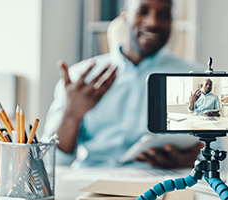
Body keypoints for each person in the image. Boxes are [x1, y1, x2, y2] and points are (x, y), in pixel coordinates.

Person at [42, 0, 205, 168]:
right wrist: (71, 115)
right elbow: (52, 162)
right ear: (125, 15)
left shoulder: (195, 78)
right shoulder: (81, 77)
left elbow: (217, 158)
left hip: (162, 185)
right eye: (142, 11)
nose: (153, 22)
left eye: (164, 15)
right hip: (90, 180)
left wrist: (186, 161)